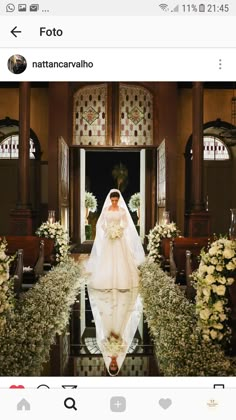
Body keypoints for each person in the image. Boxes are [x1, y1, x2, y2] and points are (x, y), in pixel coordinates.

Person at [86, 188, 145, 290]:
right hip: (108, 236)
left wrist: (119, 230)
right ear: (110, 200)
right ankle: (106, 279)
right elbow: (100, 223)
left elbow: (126, 223)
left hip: (119, 236)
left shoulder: (122, 210)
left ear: (118, 200)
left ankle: (122, 280)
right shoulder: (105, 210)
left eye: (116, 200)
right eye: (112, 200)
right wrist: (107, 230)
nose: (114, 202)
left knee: (121, 257)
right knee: (106, 257)